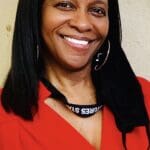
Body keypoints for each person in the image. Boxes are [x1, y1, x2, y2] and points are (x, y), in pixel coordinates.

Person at [0, 0, 149, 149]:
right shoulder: (4, 117)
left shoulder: (144, 95)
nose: (83, 24)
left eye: (97, 10)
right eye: (65, 5)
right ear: (35, 14)